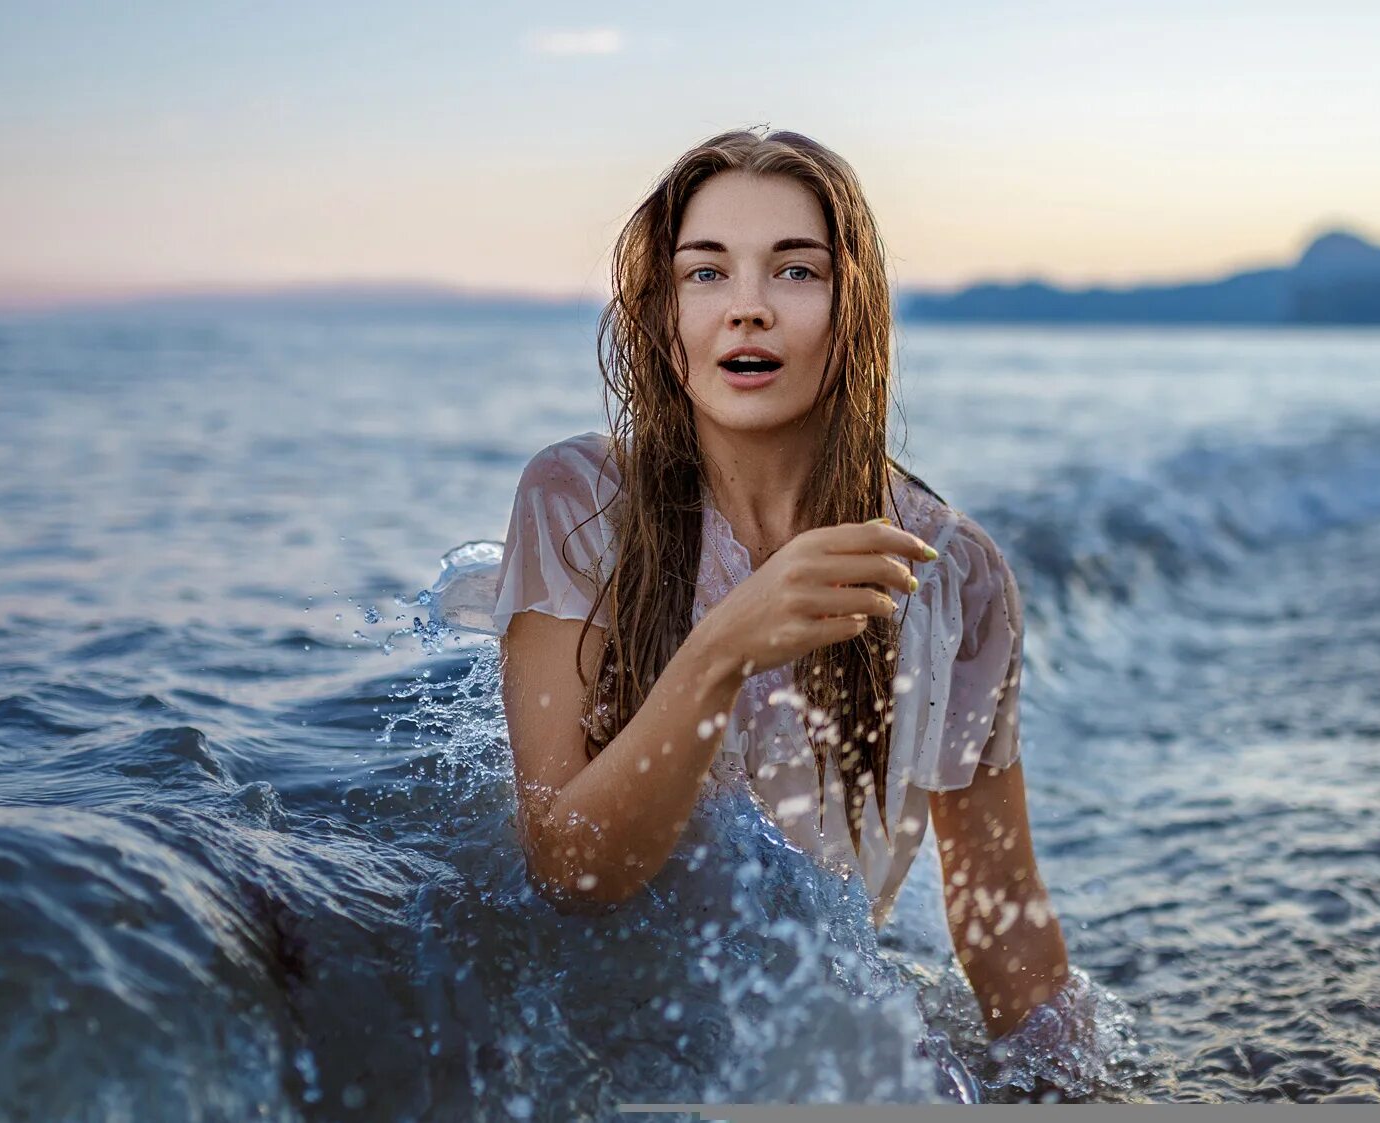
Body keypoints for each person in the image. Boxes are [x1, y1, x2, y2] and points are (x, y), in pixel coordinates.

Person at [436, 127, 1072, 1044]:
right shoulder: (577, 504)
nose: (748, 309)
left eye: (795, 271)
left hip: (815, 1057)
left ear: (853, 308)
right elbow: (568, 870)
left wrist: (1077, 1083)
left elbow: (1002, 915)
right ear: (662, 315)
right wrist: (724, 647)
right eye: (706, 273)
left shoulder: (949, 569)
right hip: (588, 1047)